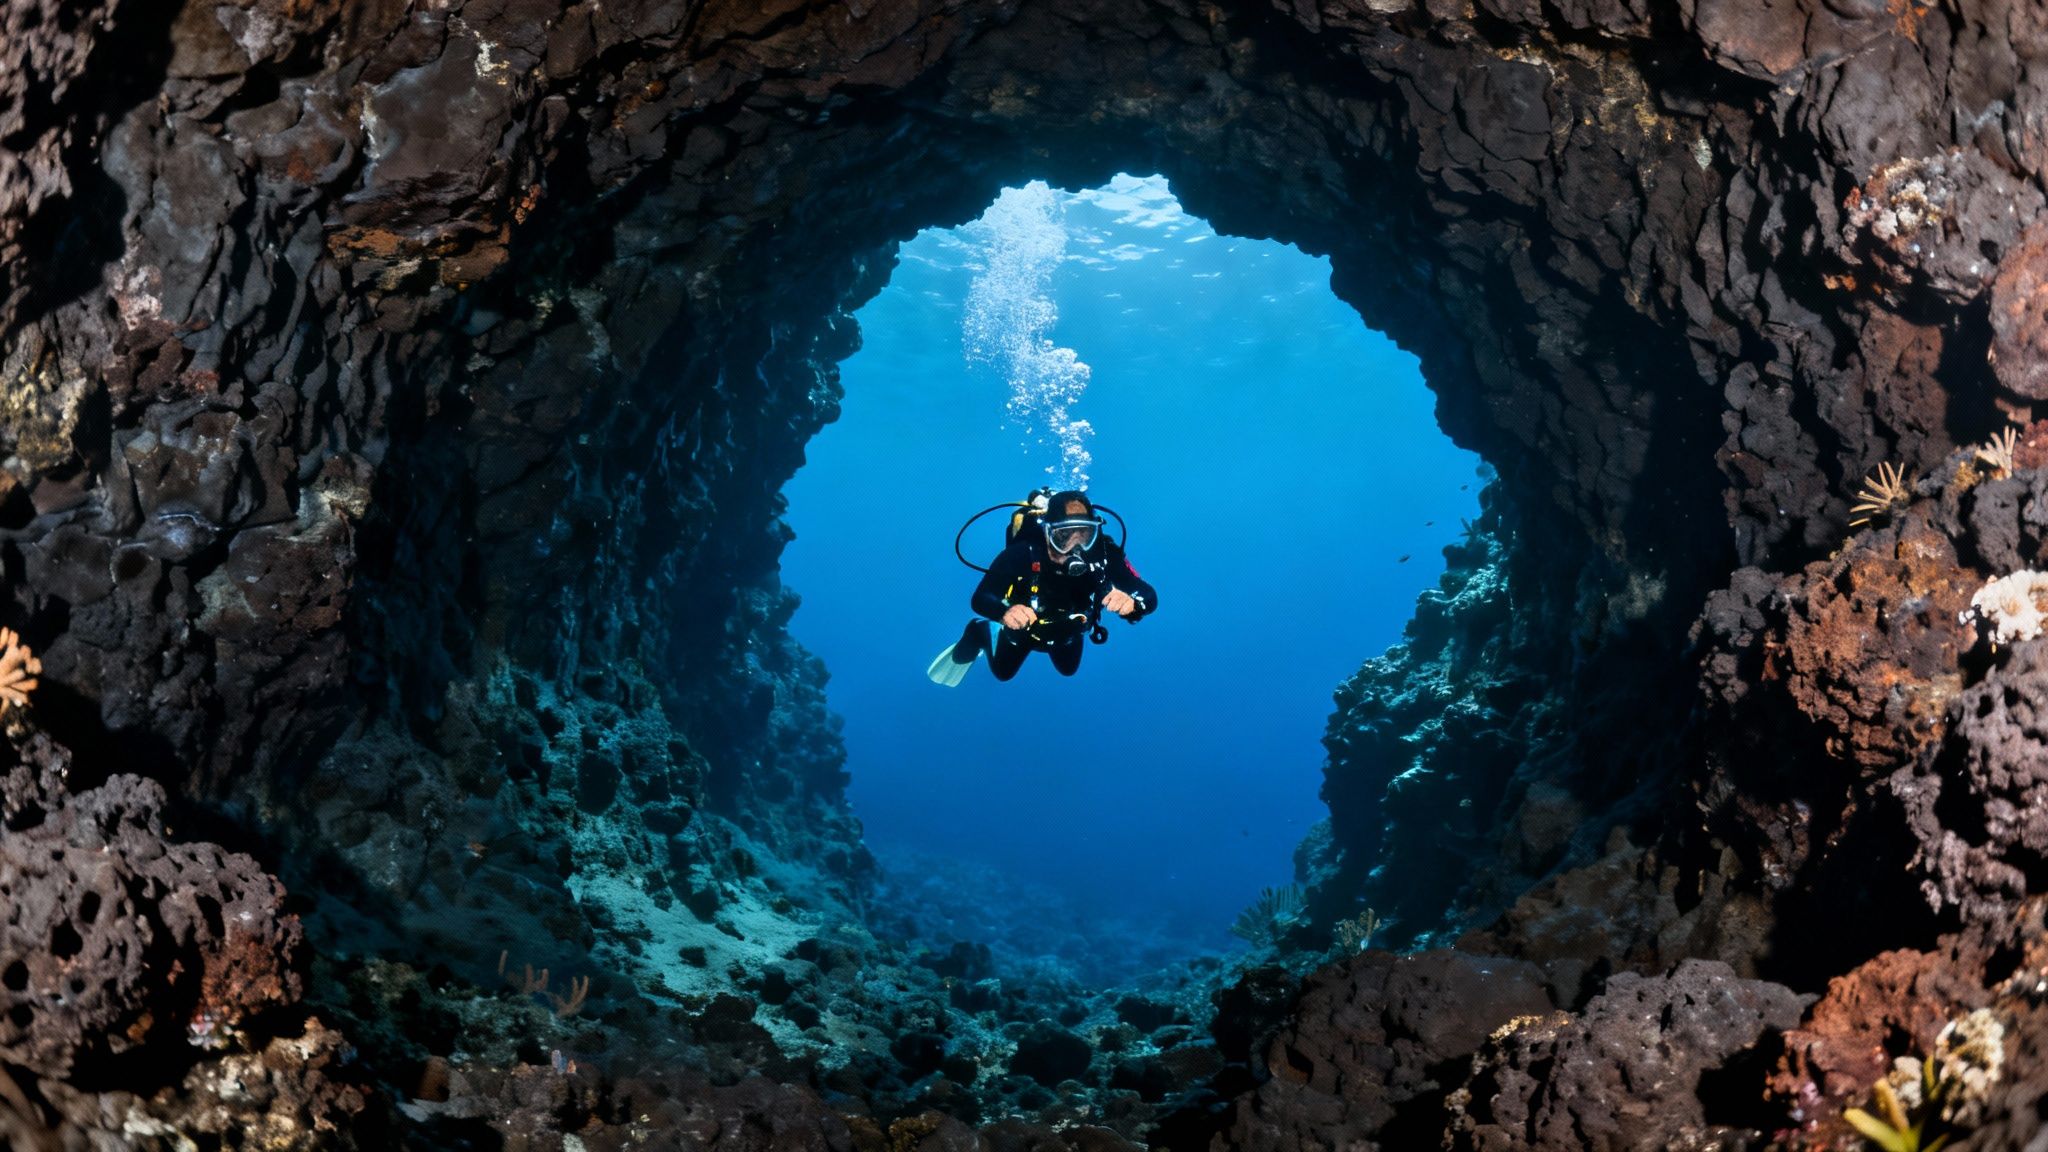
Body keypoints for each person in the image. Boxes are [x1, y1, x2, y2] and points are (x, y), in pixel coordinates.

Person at [931, 490, 1157, 683]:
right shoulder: (1023, 553)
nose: (1075, 547)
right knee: (1003, 673)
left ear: (1094, 531)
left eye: (1085, 534)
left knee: (1068, 670)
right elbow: (981, 598)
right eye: (1064, 535)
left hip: (1070, 627)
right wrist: (1003, 612)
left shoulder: (1105, 553)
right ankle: (979, 631)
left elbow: (1148, 594)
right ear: (1048, 532)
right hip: (1023, 626)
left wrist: (1135, 605)